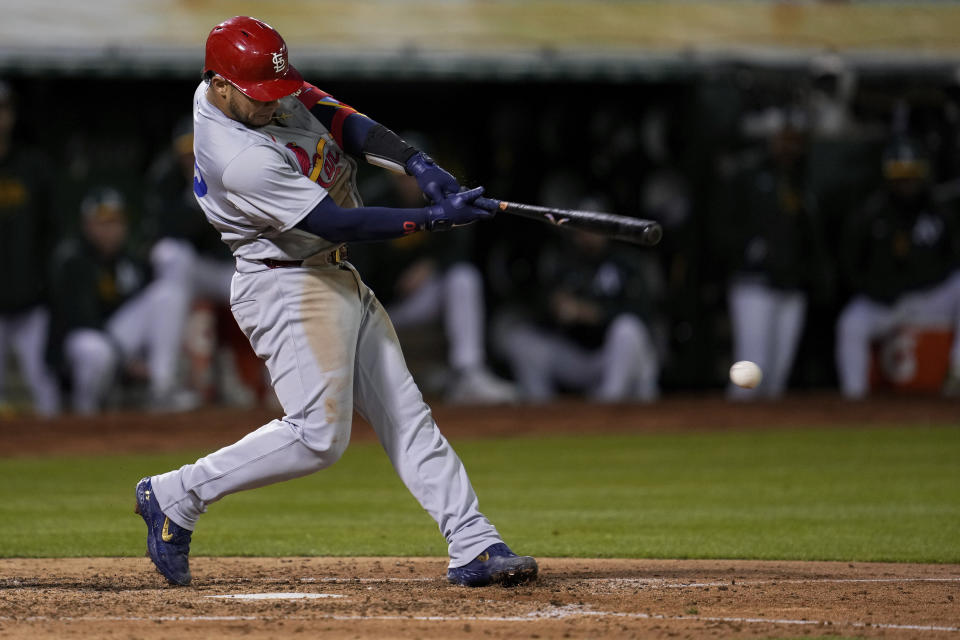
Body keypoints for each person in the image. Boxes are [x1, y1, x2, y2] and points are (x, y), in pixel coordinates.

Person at [134, 16, 537, 588]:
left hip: (328, 273)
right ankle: (175, 495)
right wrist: (432, 218)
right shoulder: (235, 155)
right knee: (318, 438)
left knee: (406, 415)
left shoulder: (254, 85)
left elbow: (340, 119)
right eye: (259, 98)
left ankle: (473, 543)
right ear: (219, 85)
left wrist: (419, 166)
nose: (273, 104)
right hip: (287, 284)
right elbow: (332, 221)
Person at [350, 158, 518, 405]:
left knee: (463, 277)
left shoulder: (439, 201)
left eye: (413, 176)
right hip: (382, 307)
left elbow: (460, 248)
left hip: (420, 302)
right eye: (402, 177)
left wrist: (431, 264)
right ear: (391, 179)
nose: (409, 183)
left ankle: (468, 373)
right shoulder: (374, 204)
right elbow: (360, 269)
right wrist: (394, 278)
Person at [492, 202, 661, 404]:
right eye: (583, 226)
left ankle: (609, 405)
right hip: (578, 356)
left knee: (628, 330)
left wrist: (595, 314)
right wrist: (553, 307)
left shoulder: (626, 263)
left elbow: (643, 314)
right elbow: (538, 311)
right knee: (522, 341)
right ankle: (541, 412)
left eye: (595, 225)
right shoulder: (564, 262)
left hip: (611, 356)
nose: (588, 233)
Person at [716, 105, 830, 400]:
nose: (788, 146)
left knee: (777, 376)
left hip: (791, 285)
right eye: (783, 138)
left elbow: (812, 239)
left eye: (794, 140)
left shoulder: (803, 181)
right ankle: (729, 431)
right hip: (754, 283)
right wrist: (748, 253)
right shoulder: (749, 175)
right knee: (752, 369)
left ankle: (759, 442)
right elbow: (723, 226)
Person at [47, 187, 195, 413]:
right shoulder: (72, 259)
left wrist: (137, 356)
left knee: (168, 294)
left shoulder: (128, 259)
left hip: (113, 339)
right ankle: (83, 412)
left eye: (115, 222)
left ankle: (162, 386)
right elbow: (80, 320)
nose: (111, 229)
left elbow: (139, 314)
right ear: (87, 225)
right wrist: (123, 360)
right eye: (103, 222)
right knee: (96, 350)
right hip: (78, 344)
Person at [835, 137, 960, 398]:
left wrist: (927, 279)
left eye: (912, 174)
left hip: (928, 298)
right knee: (851, 323)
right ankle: (853, 400)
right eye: (901, 175)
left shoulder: (938, 211)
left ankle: (957, 372)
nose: (907, 183)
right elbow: (850, 265)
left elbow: (952, 257)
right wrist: (878, 289)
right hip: (884, 302)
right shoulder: (871, 213)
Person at [0, 79, 62, 416]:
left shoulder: (32, 167)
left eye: (3, 109)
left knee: (43, 387)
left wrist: (42, 283)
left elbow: (51, 229)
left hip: (29, 303)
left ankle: (64, 458)